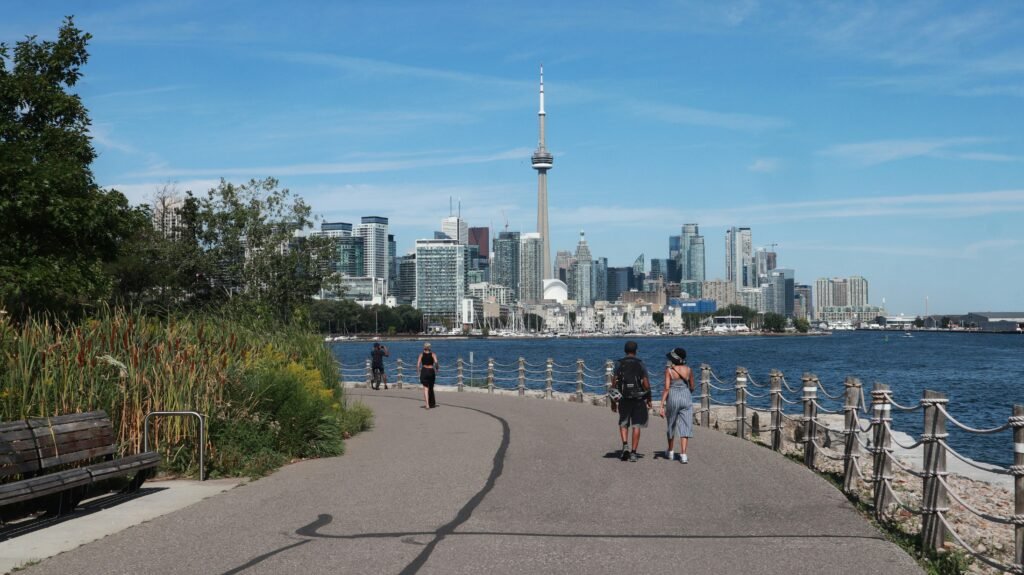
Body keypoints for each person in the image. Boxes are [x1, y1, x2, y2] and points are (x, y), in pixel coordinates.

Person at [610, 340, 651, 462]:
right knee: (636, 425)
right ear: (636, 351)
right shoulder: (640, 363)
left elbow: (614, 383)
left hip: (623, 397)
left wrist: (613, 401)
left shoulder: (619, 363)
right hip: (638, 398)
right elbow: (646, 383)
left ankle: (625, 445)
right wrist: (649, 398)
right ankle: (633, 453)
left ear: (625, 350)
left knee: (623, 423)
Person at [659, 347, 694, 463]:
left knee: (671, 424)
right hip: (686, 396)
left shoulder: (669, 370)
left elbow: (666, 388)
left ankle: (670, 451)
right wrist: (687, 391)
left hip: (673, 396)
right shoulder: (689, 369)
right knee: (685, 425)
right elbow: (692, 387)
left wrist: (661, 405)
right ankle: (683, 454)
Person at [417, 342, 439, 408]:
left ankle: (427, 404)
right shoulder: (433, 354)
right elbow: (436, 362)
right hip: (431, 370)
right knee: (431, 388)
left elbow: (418, 365)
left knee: (425, 388)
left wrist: (418, 373)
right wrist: (437, 369)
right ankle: (432, 403)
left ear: (424, 347)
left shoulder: (421, 355)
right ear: (430, 347)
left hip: (424, 371)